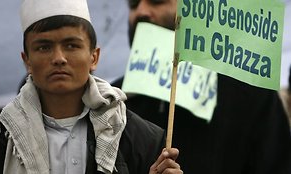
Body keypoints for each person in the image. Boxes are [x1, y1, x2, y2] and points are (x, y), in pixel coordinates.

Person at [0, 0, 183, 174]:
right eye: (44, 47)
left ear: (94, 57)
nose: (59, 58)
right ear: (27, 60)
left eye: (71, 45)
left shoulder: (141, 139)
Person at [111, 0, 291, 174]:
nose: (141, 11)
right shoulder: (113, 100)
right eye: (133, 4)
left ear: (196, 8)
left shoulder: (250, 93)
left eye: (157, 1)